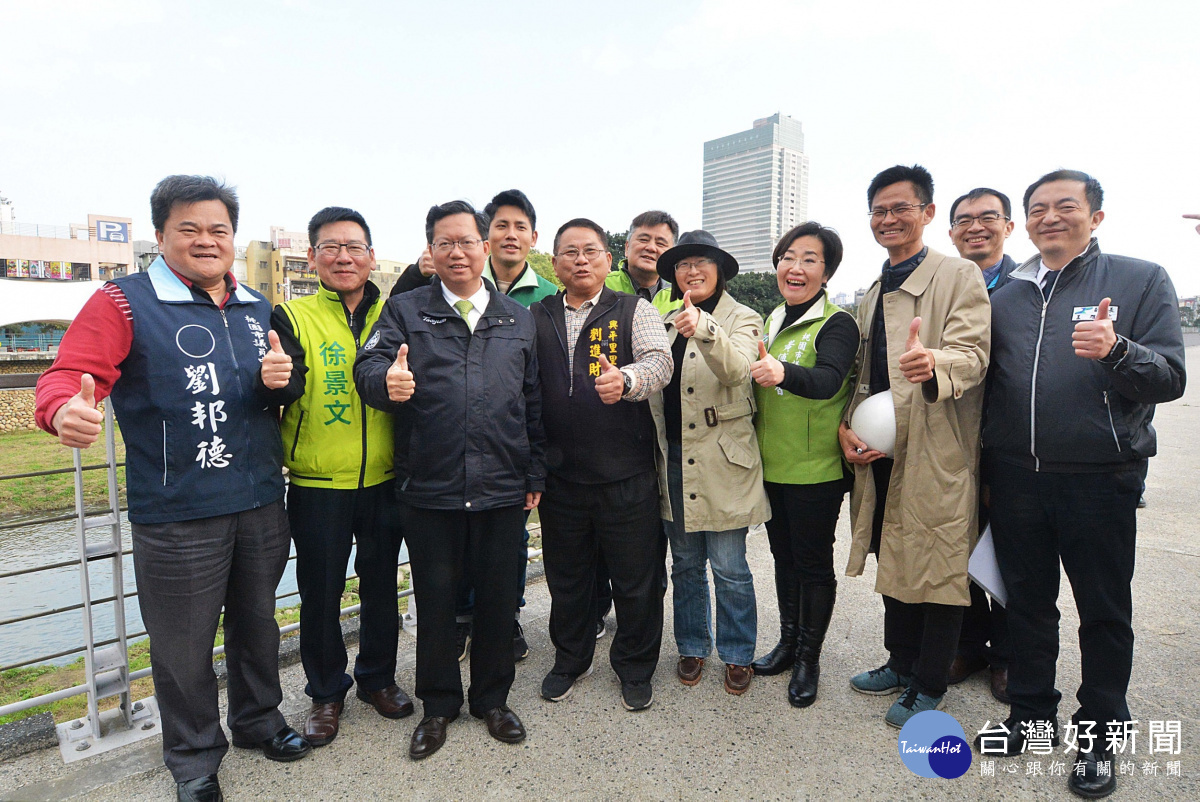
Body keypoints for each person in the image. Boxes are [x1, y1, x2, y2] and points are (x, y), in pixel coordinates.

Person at [35, 175, 310, 802]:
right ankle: (192, 759)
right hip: (177, 512)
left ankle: (259, 720)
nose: (206, 240)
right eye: (189, 228)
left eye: (219, 230)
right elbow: (71, 373)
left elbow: (276, 391)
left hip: (262, 500)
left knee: (257, 624)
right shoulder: (123, 302)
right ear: (161, 235)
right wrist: (62, 410)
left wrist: (279, 381)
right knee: (183, 645)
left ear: (234, 239)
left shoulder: (257, 307)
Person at [979, 170, 1185, 799]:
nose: (1049, 217)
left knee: (1102, 611)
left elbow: (1171, 376)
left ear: (1095, 216)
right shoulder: (1007, 294)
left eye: (1065, 206)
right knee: (1027, 604)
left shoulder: (1139, 278)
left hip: (1100, 479)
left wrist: (1118, 349)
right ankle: (1031, 715)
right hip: (1016, 476)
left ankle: (1100, 734)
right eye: (1037, 208)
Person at [354, 200, 544, 760]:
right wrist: (385, 381)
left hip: (503, 484)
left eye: (466, 241)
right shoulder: (405, 309)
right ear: (430, 252)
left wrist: (536, 470)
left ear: (486, 247)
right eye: (444, 243)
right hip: (430, 483)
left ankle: (492, 700)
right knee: (435, 600)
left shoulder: (517, 317)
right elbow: (368, 368)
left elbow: (532, 400)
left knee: (495, 600)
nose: (456, 252)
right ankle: (438, 706)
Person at [838, 164, 990, 729]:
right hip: (880, 448)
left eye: (901, 207)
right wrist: (847, 428)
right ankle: (899, 663)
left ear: (928, 213)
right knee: (890, 552)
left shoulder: (958, 276)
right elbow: (862, 375)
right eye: (879, 211)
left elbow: (973, 354)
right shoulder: (874, 289)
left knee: (939, 567)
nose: (889, 219)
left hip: (936, 448)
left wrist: (934, 363)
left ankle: (929, 681)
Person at [260, 206, 412, 748]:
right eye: (331, 247)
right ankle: (325, 693)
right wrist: (275, 381)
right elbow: (285, 385)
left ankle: (378, 679)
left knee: (380, 586)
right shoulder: (291, 316)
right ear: (313, 257)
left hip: (386, 477)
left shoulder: (397, 314)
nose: (343, 257)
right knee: (319, 592)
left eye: (354, 247)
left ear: (372, 257)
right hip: (317, 481)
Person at [533, 218, 672, 712]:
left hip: (625, 473)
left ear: (608, 260)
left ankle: (634, 666)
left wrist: (630, 380)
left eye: (590, 251)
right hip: (561, 476)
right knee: (567, 577)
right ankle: (570, 658)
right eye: (569, 252)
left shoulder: (634, 310)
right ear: (555, 263)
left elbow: (661, 360)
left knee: (635, 578)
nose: (581, 260)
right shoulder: (538, 314)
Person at [648, 231, 769, 696]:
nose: (691, 272)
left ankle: (738, 653)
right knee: (684, 563)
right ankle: (692, 645)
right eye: (682, 265)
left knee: (729, 565)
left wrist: (703, 327)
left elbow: (738, 369)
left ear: (719, 269)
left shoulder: (743, 316)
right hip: (675, 455)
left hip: (723, 456)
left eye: (701, 263)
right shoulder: (661, 319)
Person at [749, 222, 858, 708]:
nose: (796, 267)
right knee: (783, 558)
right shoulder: (771, 318)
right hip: (770, 466)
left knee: (812, 564)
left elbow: (830, 380)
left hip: (815, 470)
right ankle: (788, 641)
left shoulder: (836, 323)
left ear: (827, 271)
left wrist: (782, 372)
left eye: (810, 259)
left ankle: (809, 657)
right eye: (788, 257)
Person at [452, 189, 559, 663]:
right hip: (457, 442)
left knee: (512, 542)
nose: (510, 235)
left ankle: (505, 617)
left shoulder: (549, 296)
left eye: (520, 227)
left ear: (533, 237)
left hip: (511, 440)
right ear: (485, 236)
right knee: (457, 543)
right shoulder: (457, 281)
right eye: (500, 226)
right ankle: (460, 619)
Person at [945, 187, 1017, 703]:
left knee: (1011, 551)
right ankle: (969, 644)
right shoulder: (945, 285)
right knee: (958, 548)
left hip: (1009, 442)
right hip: (953, 441)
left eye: (988, 218)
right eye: (964, 220)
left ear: (1008, 227)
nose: (976, 227)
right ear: (950, 231)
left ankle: (1009, 655)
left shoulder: (1028, 285)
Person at [605, 210, 682, 315]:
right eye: (644, 240)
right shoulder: (601, 286)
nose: (651, 248)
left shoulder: (681, 300)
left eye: (660, 243)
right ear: (627, 247)